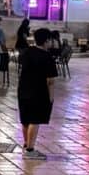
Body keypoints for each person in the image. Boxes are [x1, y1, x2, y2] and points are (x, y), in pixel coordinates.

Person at [18, 28, 58, 158]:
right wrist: (51, 97)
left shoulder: (26, 52)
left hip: (23, 89)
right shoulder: (47, 57)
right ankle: (30, 149)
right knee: (34, 120)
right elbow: (50, 81)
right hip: (39, 92)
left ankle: (26, 144)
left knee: (25, 119)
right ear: (46, 41)